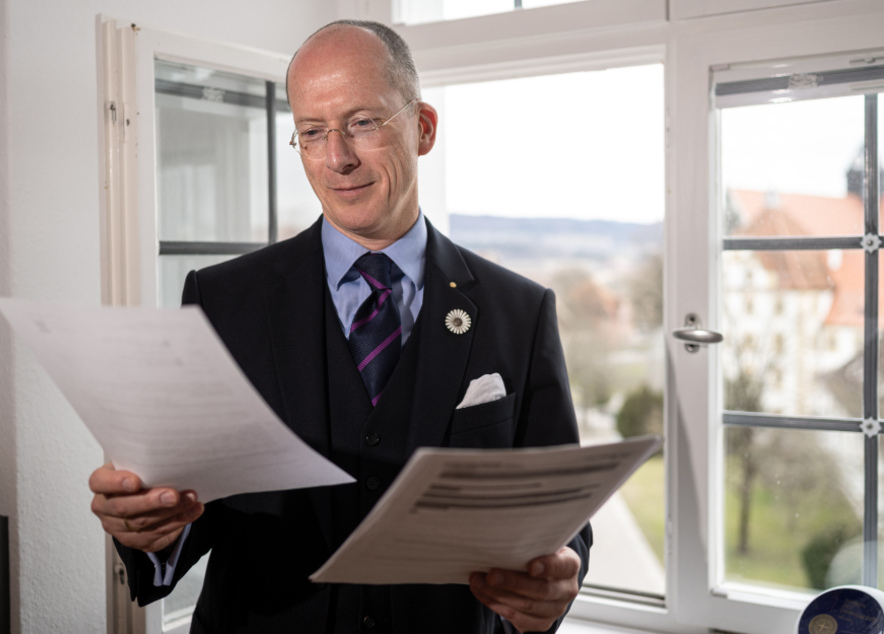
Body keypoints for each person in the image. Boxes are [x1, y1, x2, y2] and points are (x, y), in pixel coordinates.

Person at [89, 19, 591, 634]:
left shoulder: (521, 311)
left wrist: (555, 583)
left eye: (362, 123)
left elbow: (558, 517)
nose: (338, 158)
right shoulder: (222, 299)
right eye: (312, 131)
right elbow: (189, 510)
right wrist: (153, 530)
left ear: (423, 127)